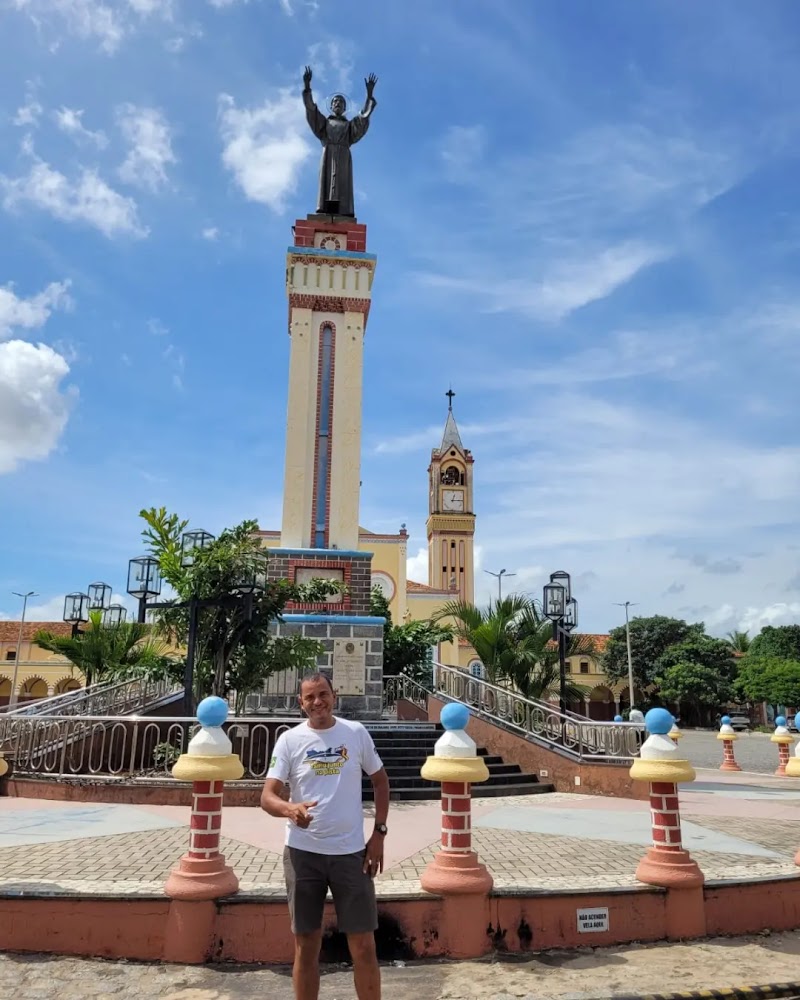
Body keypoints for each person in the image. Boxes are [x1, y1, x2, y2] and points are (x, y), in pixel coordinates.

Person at [261, 671, 390, 1000]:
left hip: (351, 854)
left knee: (363, 945)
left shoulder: (355, 733)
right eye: (310, 697)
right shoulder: (290, 740)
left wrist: (378, 834)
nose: (317, 702)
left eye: (323, 694)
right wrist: (290, 809)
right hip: (303, 855)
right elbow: (268, 797)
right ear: (301, 703)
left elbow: (380, 782)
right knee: (306, 945)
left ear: (335, 696)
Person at [302, 65, 378, 217]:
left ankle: (343, 211)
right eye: (335, 102)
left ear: (344, 108)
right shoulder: (324, 123)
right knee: (326, 183)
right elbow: (311, 110)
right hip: (328, 154)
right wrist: (307, 86)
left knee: (343, 185)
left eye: (341, 102)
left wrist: (369, 96)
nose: (337, 104)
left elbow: (362, 118)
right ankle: (324, 209)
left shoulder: (349, 126)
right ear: (331, 106)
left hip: (343, 157)